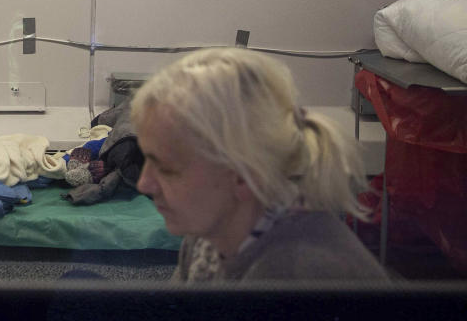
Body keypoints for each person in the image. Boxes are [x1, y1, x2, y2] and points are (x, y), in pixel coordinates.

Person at [130, 47, 389, 282]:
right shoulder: (208, 236)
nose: (144, 183)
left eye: (165, 168)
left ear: (244, 175)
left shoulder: (300, 278)